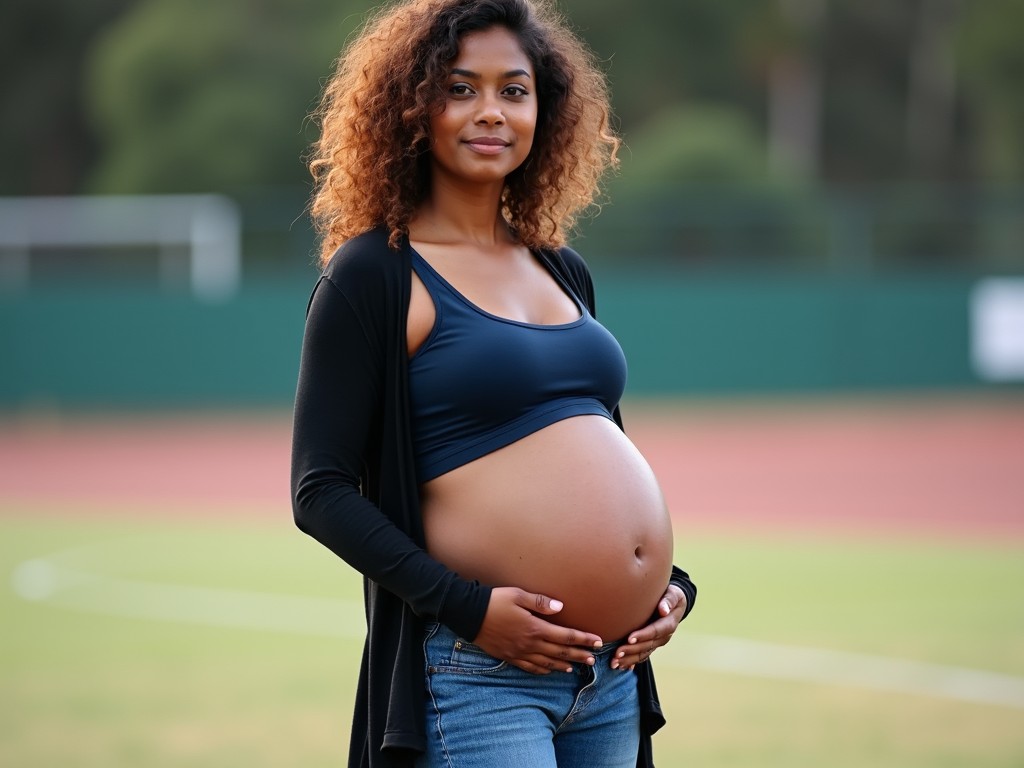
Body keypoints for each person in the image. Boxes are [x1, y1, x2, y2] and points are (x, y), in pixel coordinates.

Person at [291, 1, 697, 766]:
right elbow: (321, 490)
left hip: (612, 673)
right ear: (412, 106)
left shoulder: (561, 268)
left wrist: (667, 586)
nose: (492, 112)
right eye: (460, 88)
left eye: (514, 90)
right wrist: (468, 609)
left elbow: (597, 446)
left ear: (545, 108)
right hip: (481, 676)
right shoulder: (376, 275)